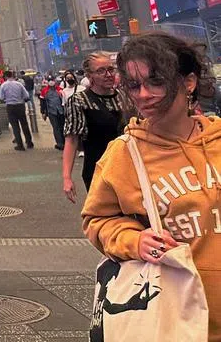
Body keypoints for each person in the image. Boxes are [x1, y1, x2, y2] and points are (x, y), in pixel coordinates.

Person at [83, 32, 221, 339]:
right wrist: (134, 240)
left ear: (189, 82)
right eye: (134, 85)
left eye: (156, 81)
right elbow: (97, 221)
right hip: (176, 319)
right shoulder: (124, 154)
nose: (144, 94)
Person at [63, 51, 134, 203]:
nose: (108, 74)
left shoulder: (124, 97)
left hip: (128, 167)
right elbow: (72, 140)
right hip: (98, 168)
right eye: (101, 71)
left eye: (110, 69)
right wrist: (67, 178)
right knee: (107, 218)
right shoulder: (79, 101)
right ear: (89, 75)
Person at [0, 70, 33, 150]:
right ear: (12, 75)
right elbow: (26, 95)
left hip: (10, 107)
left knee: (15, 126)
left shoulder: (3, 85)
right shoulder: (19, 84)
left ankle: (20, 145)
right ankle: (29, 143)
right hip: (20, 106)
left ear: (5, 77)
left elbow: (1, 97)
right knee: (24, 124)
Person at [40, 76, 67, 150]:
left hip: (61, 111)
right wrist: (43, 112)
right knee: (56, 127)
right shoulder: (44, 91)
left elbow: (64, 100)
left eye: (52, 80)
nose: (51, 82)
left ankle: (65, 142)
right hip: (51, 112)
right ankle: (59, 143)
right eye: (50, 80)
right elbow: (42, 102)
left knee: (62, 127)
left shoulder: (60, 90)